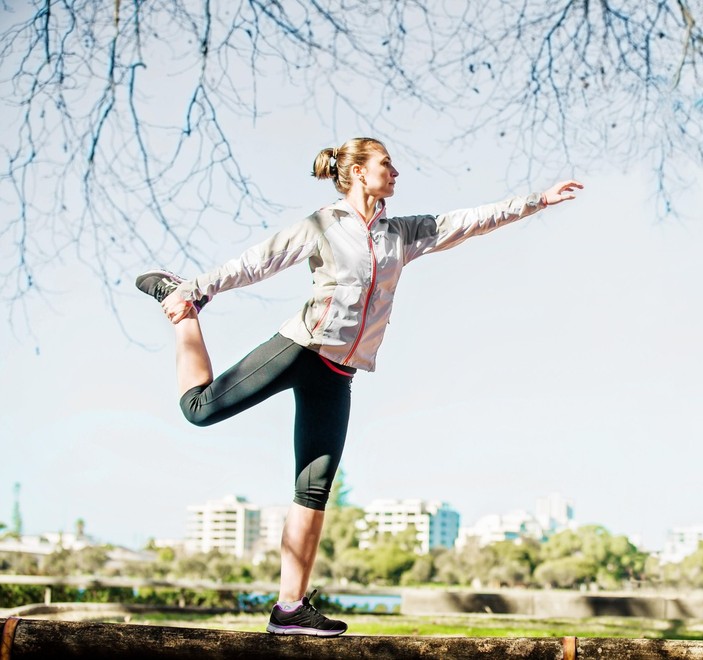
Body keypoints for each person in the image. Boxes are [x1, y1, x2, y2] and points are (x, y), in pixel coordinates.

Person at [135, 136, 583, 637]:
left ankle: (289, 609)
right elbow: (257, 261)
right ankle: (182, 312)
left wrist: (537, 201)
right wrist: (195, 290)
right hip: (301, 349)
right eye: (386, 164)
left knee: (313, 492)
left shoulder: (403, 233)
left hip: (339, 375)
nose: (395, 173)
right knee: (199, 410)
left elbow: (470, 221)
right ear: (356, 172)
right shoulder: (324, 225)